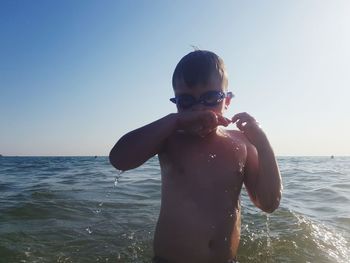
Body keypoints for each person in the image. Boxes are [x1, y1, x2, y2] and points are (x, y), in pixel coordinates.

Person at [109, 50, 282, 263]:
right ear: (176, 103)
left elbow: (269, 202)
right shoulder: (170, 138)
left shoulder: (241, 144)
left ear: (226, 101)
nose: (199, 109)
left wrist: (263, 143)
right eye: (186, 101)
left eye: (210, 98)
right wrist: (174, 121)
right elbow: (119, 159)